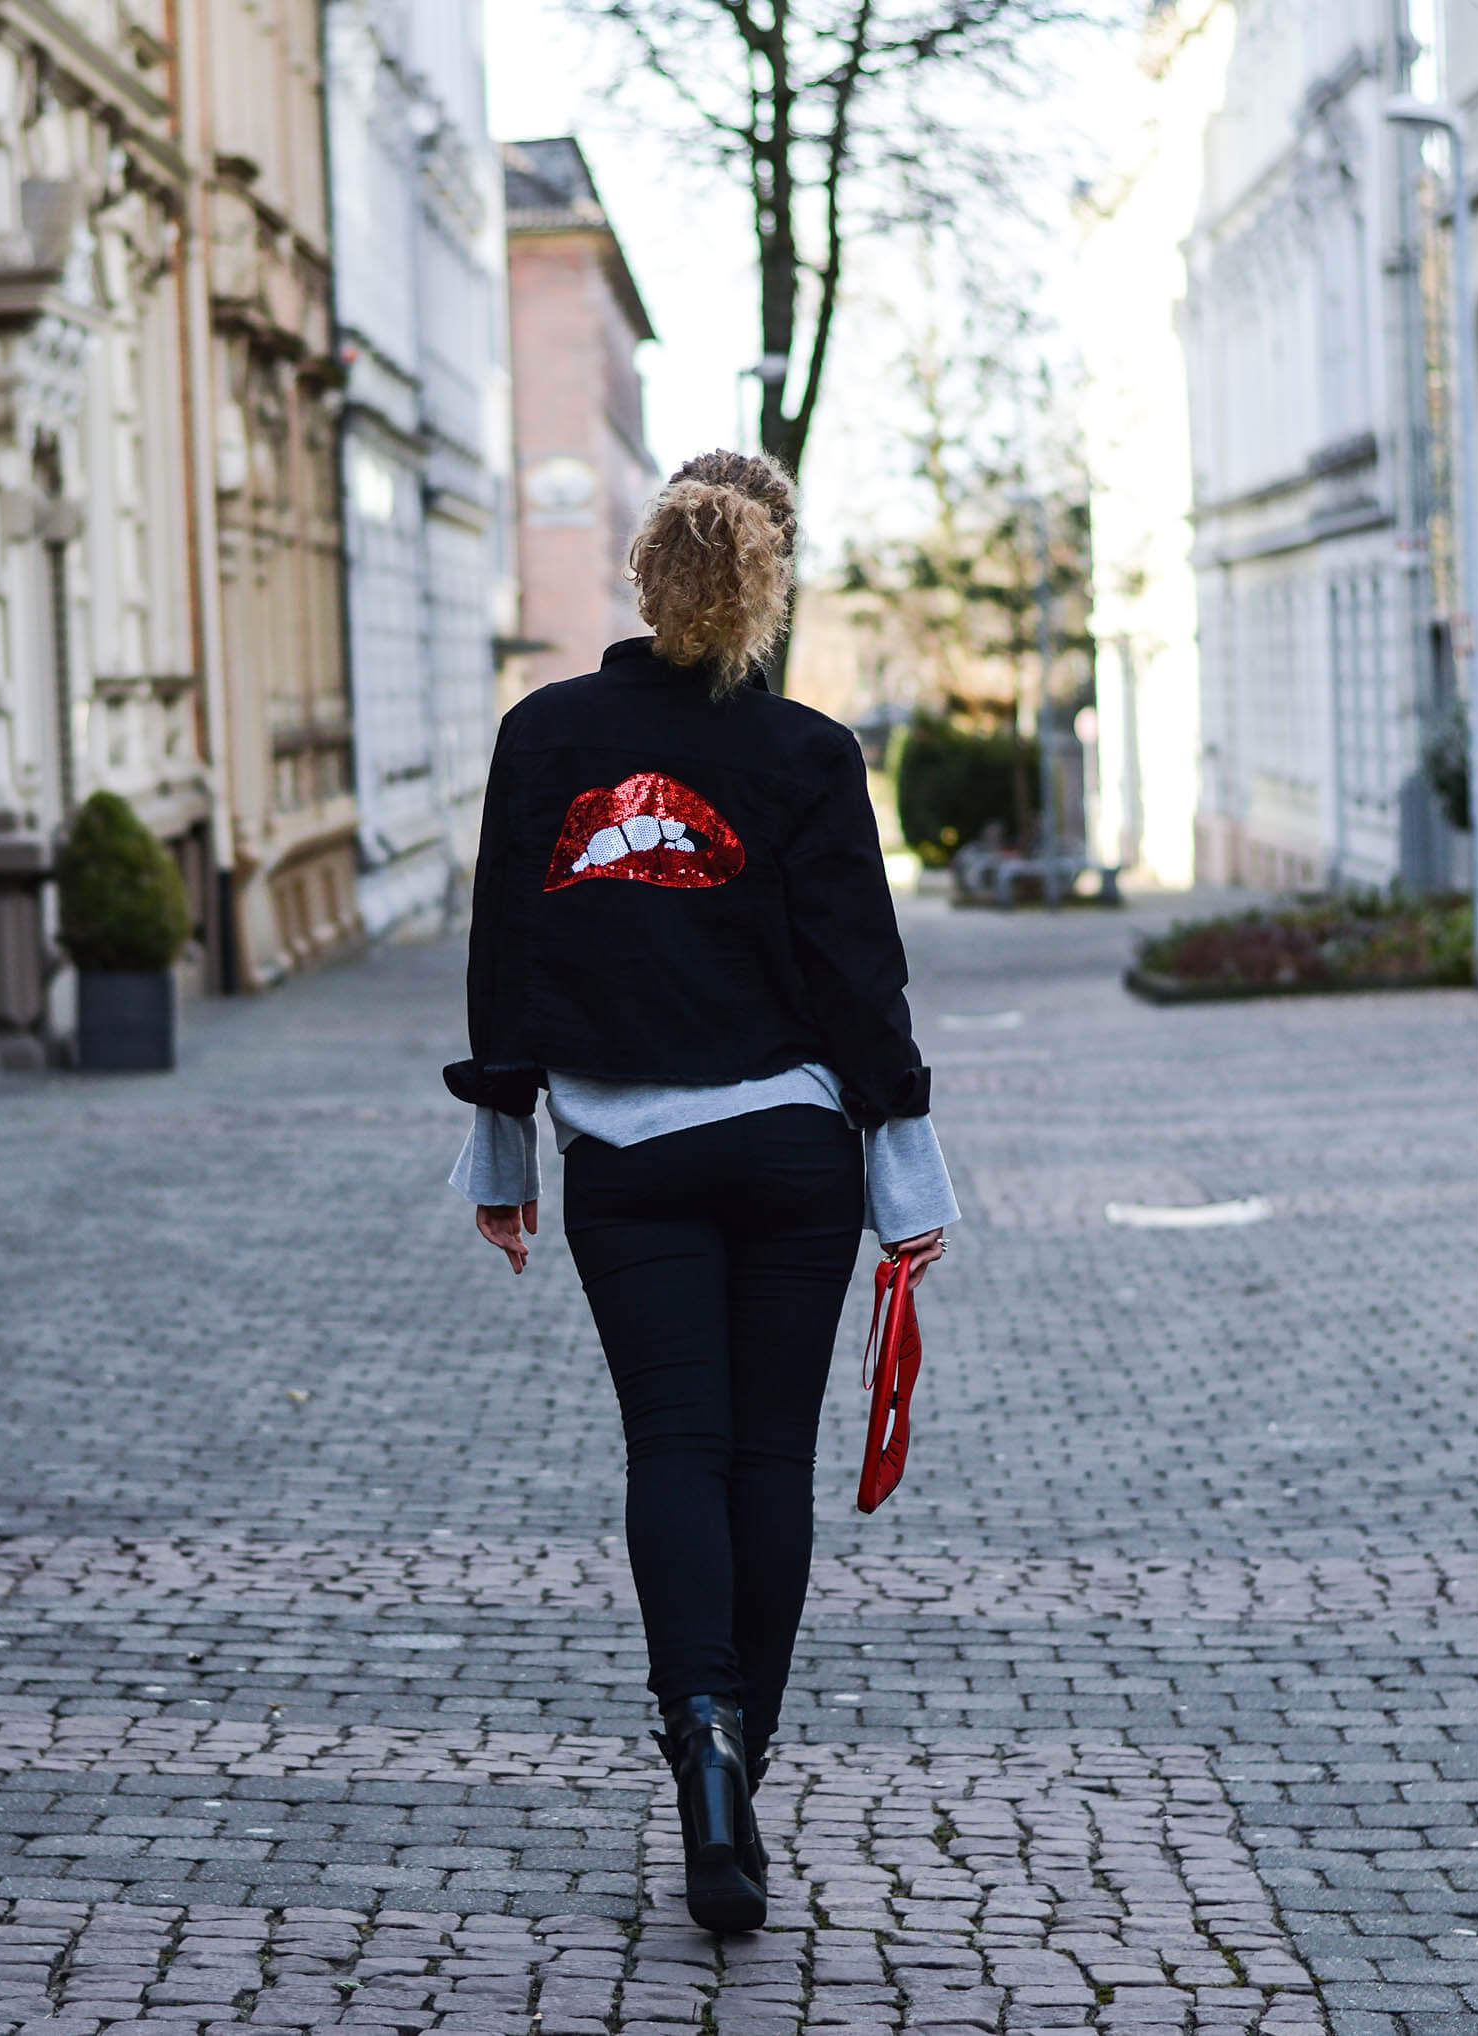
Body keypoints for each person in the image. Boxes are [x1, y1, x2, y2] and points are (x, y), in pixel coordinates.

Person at [445, 449, 958, 1934]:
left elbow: (506, 953)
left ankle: (703, 1744)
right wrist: (905, 1171)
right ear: (767, 583)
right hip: (794, 1150)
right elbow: (864, 980)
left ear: (640, 569)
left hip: (630, 1160)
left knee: (675, 1445)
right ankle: (745, 1759)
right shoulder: (807, 755)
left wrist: (502, 1149)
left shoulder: (545, 736)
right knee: (765, 1466)